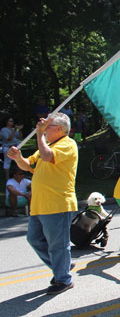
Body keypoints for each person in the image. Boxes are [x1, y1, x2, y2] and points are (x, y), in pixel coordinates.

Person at [7, 112, 77, 295]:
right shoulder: (46, 145)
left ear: (59, 129)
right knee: (34, 239)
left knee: (58, 245)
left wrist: (39, 134)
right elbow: (27, 166)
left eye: (48, 126)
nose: (44, 128)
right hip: (39, 205)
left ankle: (63, 279)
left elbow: (47, 156)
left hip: (57, 203)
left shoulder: (68, 144)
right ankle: (63, 266)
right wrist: (17, 157)